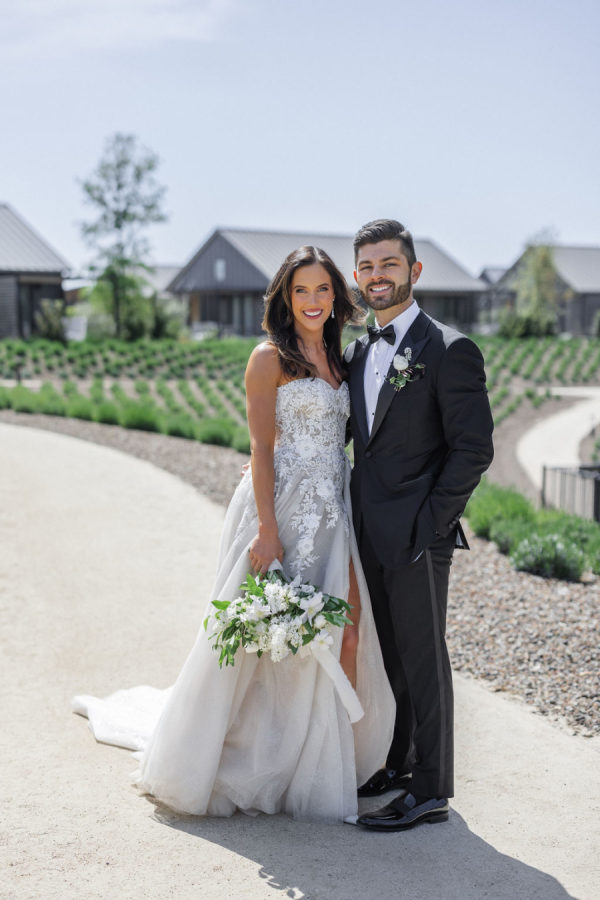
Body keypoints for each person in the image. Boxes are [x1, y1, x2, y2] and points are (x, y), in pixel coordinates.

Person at [73, 245, 395, 824]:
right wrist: (268, 528)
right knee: (269, 637)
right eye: (302, 290)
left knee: (343, 629)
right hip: (279, 510)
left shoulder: (341, 359)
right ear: (285, 297)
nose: (313, 300)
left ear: (336, 297)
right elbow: (262, 446)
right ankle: (251, 756)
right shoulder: (268, 358)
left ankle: (331, 764)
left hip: (332, 509)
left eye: (323, 289)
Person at [344, 219, 494, 832]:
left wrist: (430, 527)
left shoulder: (449, 349)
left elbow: (472, 450)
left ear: (414, 271)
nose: (378, 275)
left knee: (425, 659)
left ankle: (432, 790)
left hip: (419, 539)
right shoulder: (358, 350)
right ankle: (404, 764)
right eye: (367, 267)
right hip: (367, 533)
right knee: (397, 660)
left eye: (388, 264)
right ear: (357, 277)